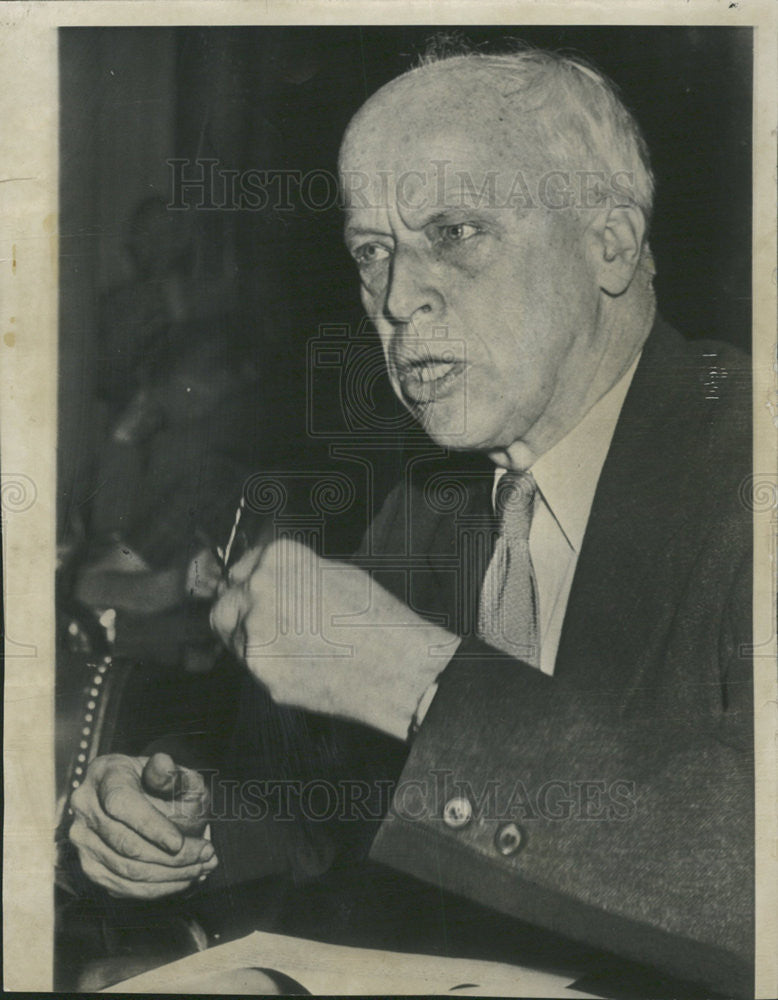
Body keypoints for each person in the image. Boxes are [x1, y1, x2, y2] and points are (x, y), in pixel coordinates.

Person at [67, 48, 753, 996]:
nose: (394, 301)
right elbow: (331, 819)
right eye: (372, 251)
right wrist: (186, 828)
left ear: (611, 241)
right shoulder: (435, 503)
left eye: (457, 230)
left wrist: (423, 681)